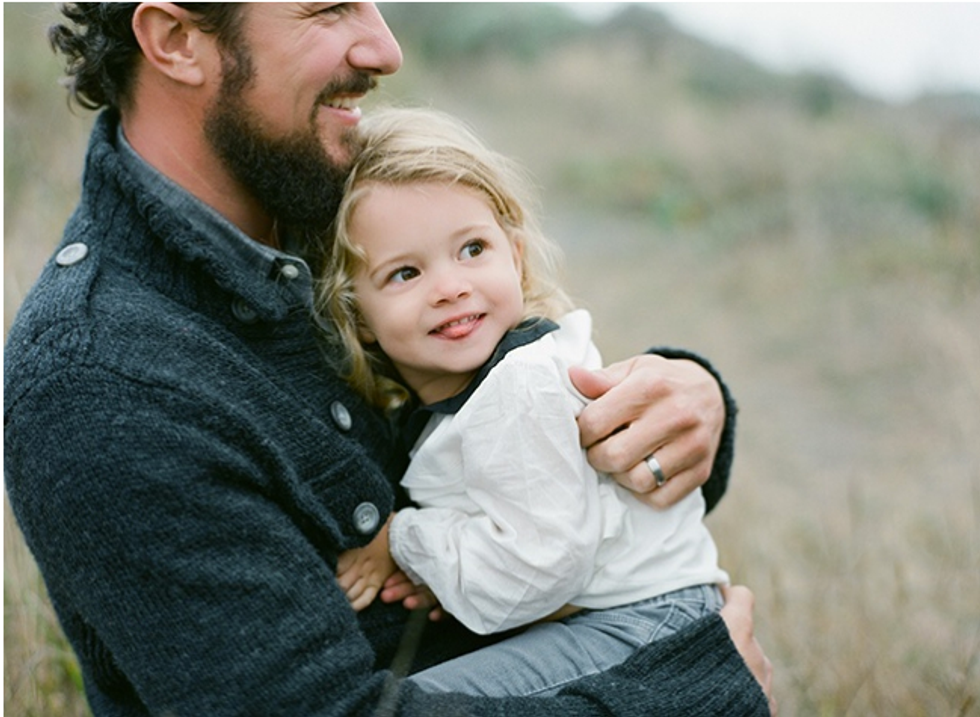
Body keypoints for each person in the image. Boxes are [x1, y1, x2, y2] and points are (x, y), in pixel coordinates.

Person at [3, 3, 774, 716]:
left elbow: (539, 458)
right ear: (176, 41)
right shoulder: (99, 383)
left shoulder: (338, 203)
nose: (385, 47)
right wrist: (686, 694)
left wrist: (686, 400)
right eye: (328, 6)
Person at [323, 107, 732, 697]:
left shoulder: (518, 386)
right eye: (405, 272)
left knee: (414, 708)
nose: (451, 286)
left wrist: (405, 542)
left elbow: (537, 570)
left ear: (514, 255)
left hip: (646, 620)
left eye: (471, 249)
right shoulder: (456, 398)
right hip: (617, 613)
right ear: (357, 317)